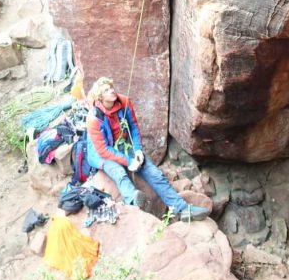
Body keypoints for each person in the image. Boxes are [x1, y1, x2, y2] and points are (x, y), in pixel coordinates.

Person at [85, 77, 208, 221]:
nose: (112, 90)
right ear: (100, 96)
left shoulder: (123, 102)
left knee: (154, 173)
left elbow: (133, 127)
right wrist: (129, 160)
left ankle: (183, 210)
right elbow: (103, 149)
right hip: (102, 153)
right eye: (106, 90)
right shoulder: (94, 118)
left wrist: (137, 150)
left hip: (122, 145)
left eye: (111, 86)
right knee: (119, 172)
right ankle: (134, 201)